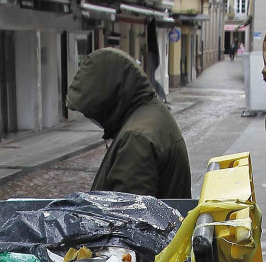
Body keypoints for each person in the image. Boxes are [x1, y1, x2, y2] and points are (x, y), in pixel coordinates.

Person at [65, 48, 191, 198]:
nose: (92, 118)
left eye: (92, 111)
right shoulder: (150, 114)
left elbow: (126, 214)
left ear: (108, 98)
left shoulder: (136, 138)